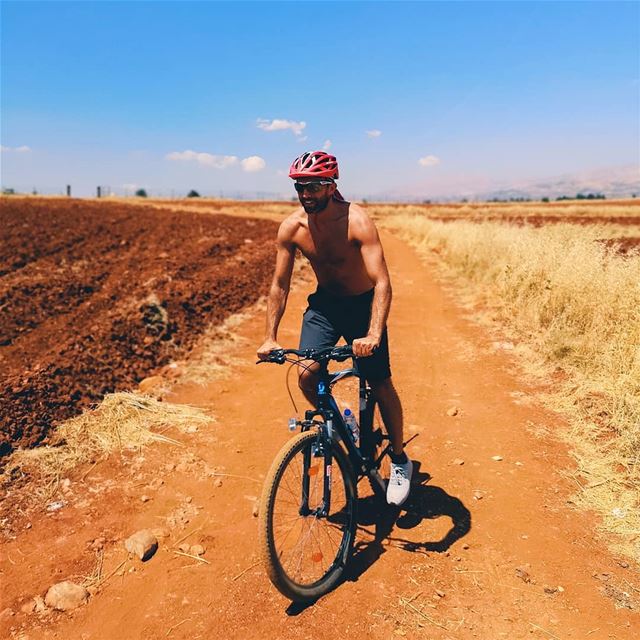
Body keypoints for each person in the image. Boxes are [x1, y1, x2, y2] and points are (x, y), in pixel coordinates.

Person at [257, 150, 413, 506]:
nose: (306, 194)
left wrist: (373, 334)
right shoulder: (292, 228)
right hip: (325, 306)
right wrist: (270, 337)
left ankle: (400, 459)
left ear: (330, 186)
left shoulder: (356, 221)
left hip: (362, 305)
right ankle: (347, 422)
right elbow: (279, 285)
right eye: (300, 187)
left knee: (378, 380)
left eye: (313, 186)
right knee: (307, 376)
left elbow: (383, 283)